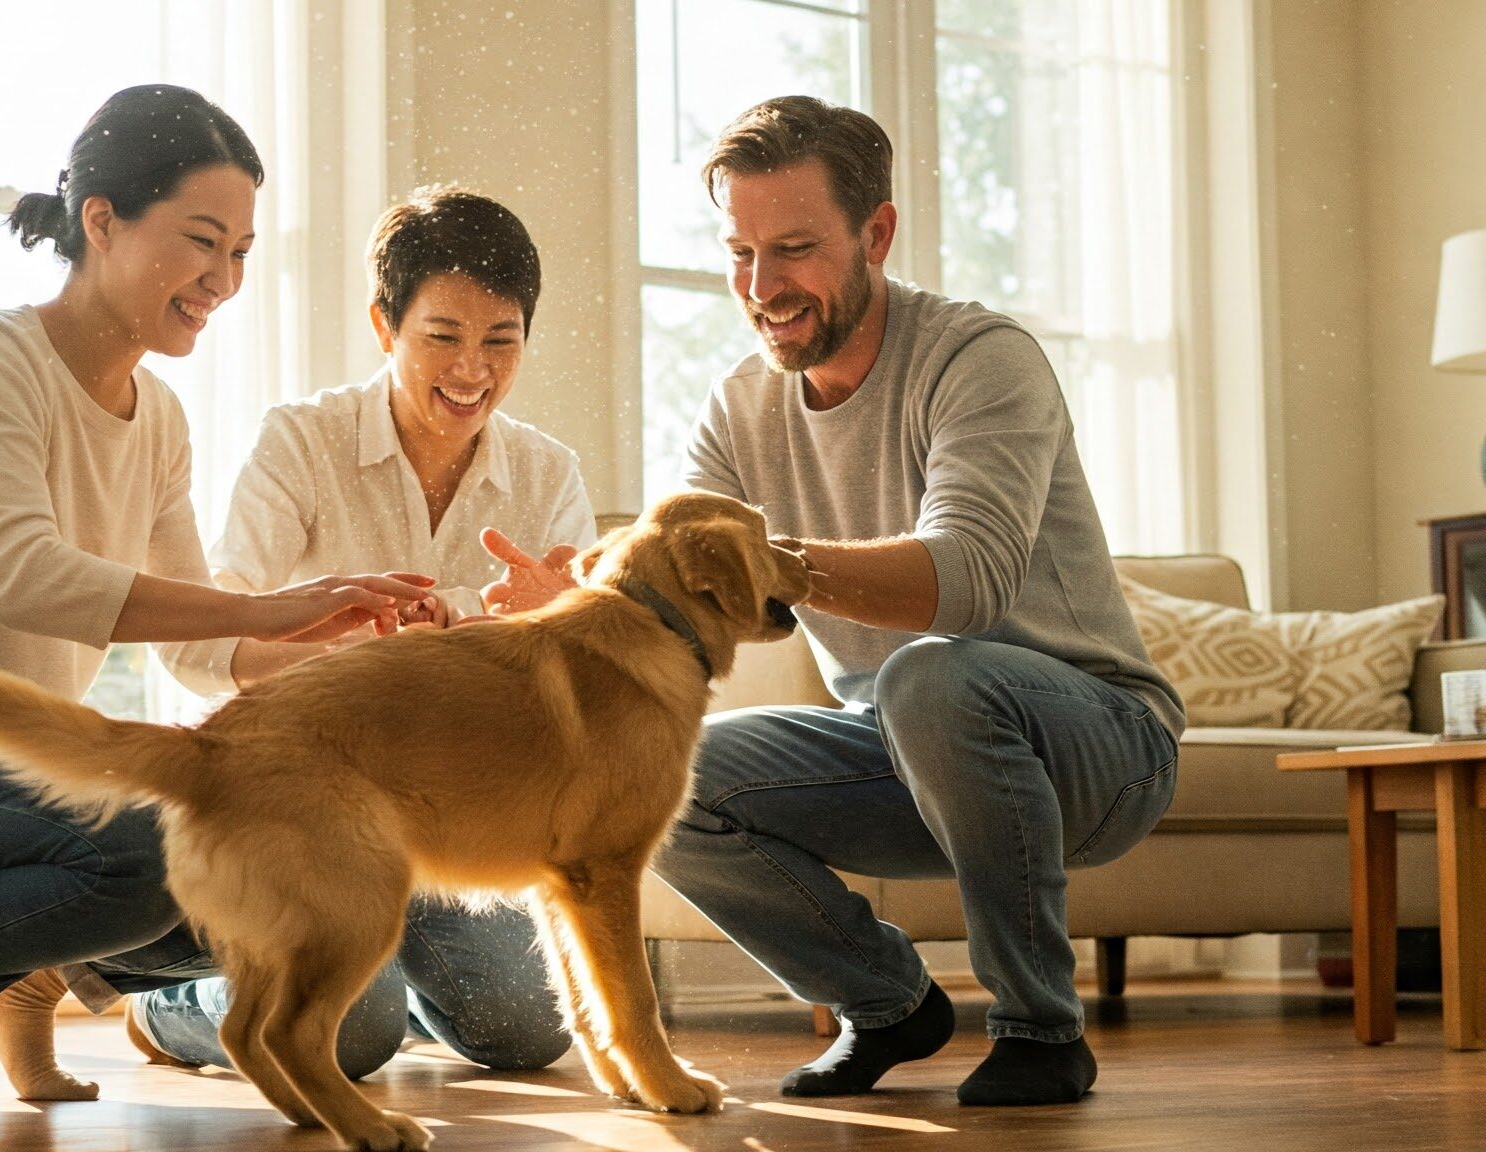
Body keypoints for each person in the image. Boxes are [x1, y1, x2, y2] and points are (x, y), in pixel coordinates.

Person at [0, 85, 433, 1119]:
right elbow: (17, 575)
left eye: (242, 251)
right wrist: (261, 609)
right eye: (202, 241)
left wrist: (345, 649)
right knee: (150, 845)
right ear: (101, 220)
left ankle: (22, 973)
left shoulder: (157, 417)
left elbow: (200, 650)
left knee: (257, 882)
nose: (223, 279)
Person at [497, 95, 1184, 1107]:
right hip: (897, 748)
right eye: (738, 253)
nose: (761, 287)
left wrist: (764, 561)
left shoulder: (978, 361)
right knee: (668, 777)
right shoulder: (738, 407)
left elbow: (971, 578)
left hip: (1095, 744)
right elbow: (680, 580)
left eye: (794, 249)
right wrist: (586, 601)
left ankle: (1040, 1027)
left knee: (930, 673)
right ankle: (886, 1003)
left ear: (877, 232)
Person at [132, 186, 592, 1075]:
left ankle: (392, 978)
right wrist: (348, 646)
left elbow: (574, 692)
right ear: (385, 326)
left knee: (529, 1032)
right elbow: (199, 647)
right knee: (345, 1034)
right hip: (309, 803)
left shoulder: (547, 472)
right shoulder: (301, 442)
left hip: (451, 813)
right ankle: (166, 1005)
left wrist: (554, 629)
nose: (473, 370)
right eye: (443, 336)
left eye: (502, 340)